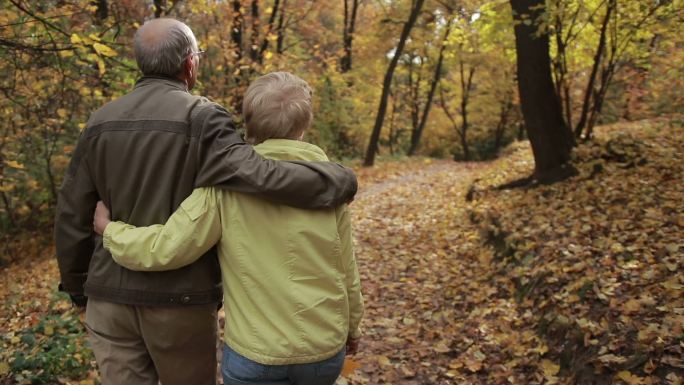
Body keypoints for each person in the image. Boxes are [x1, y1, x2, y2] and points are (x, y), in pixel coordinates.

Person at [54, 19, 357, 385]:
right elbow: (258, 173)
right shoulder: (204, 118)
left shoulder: (99, 121)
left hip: (108, 298)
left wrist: (78, 288)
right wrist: (336, 178)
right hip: (179, 302)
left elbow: (71, 214)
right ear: (190, 64)